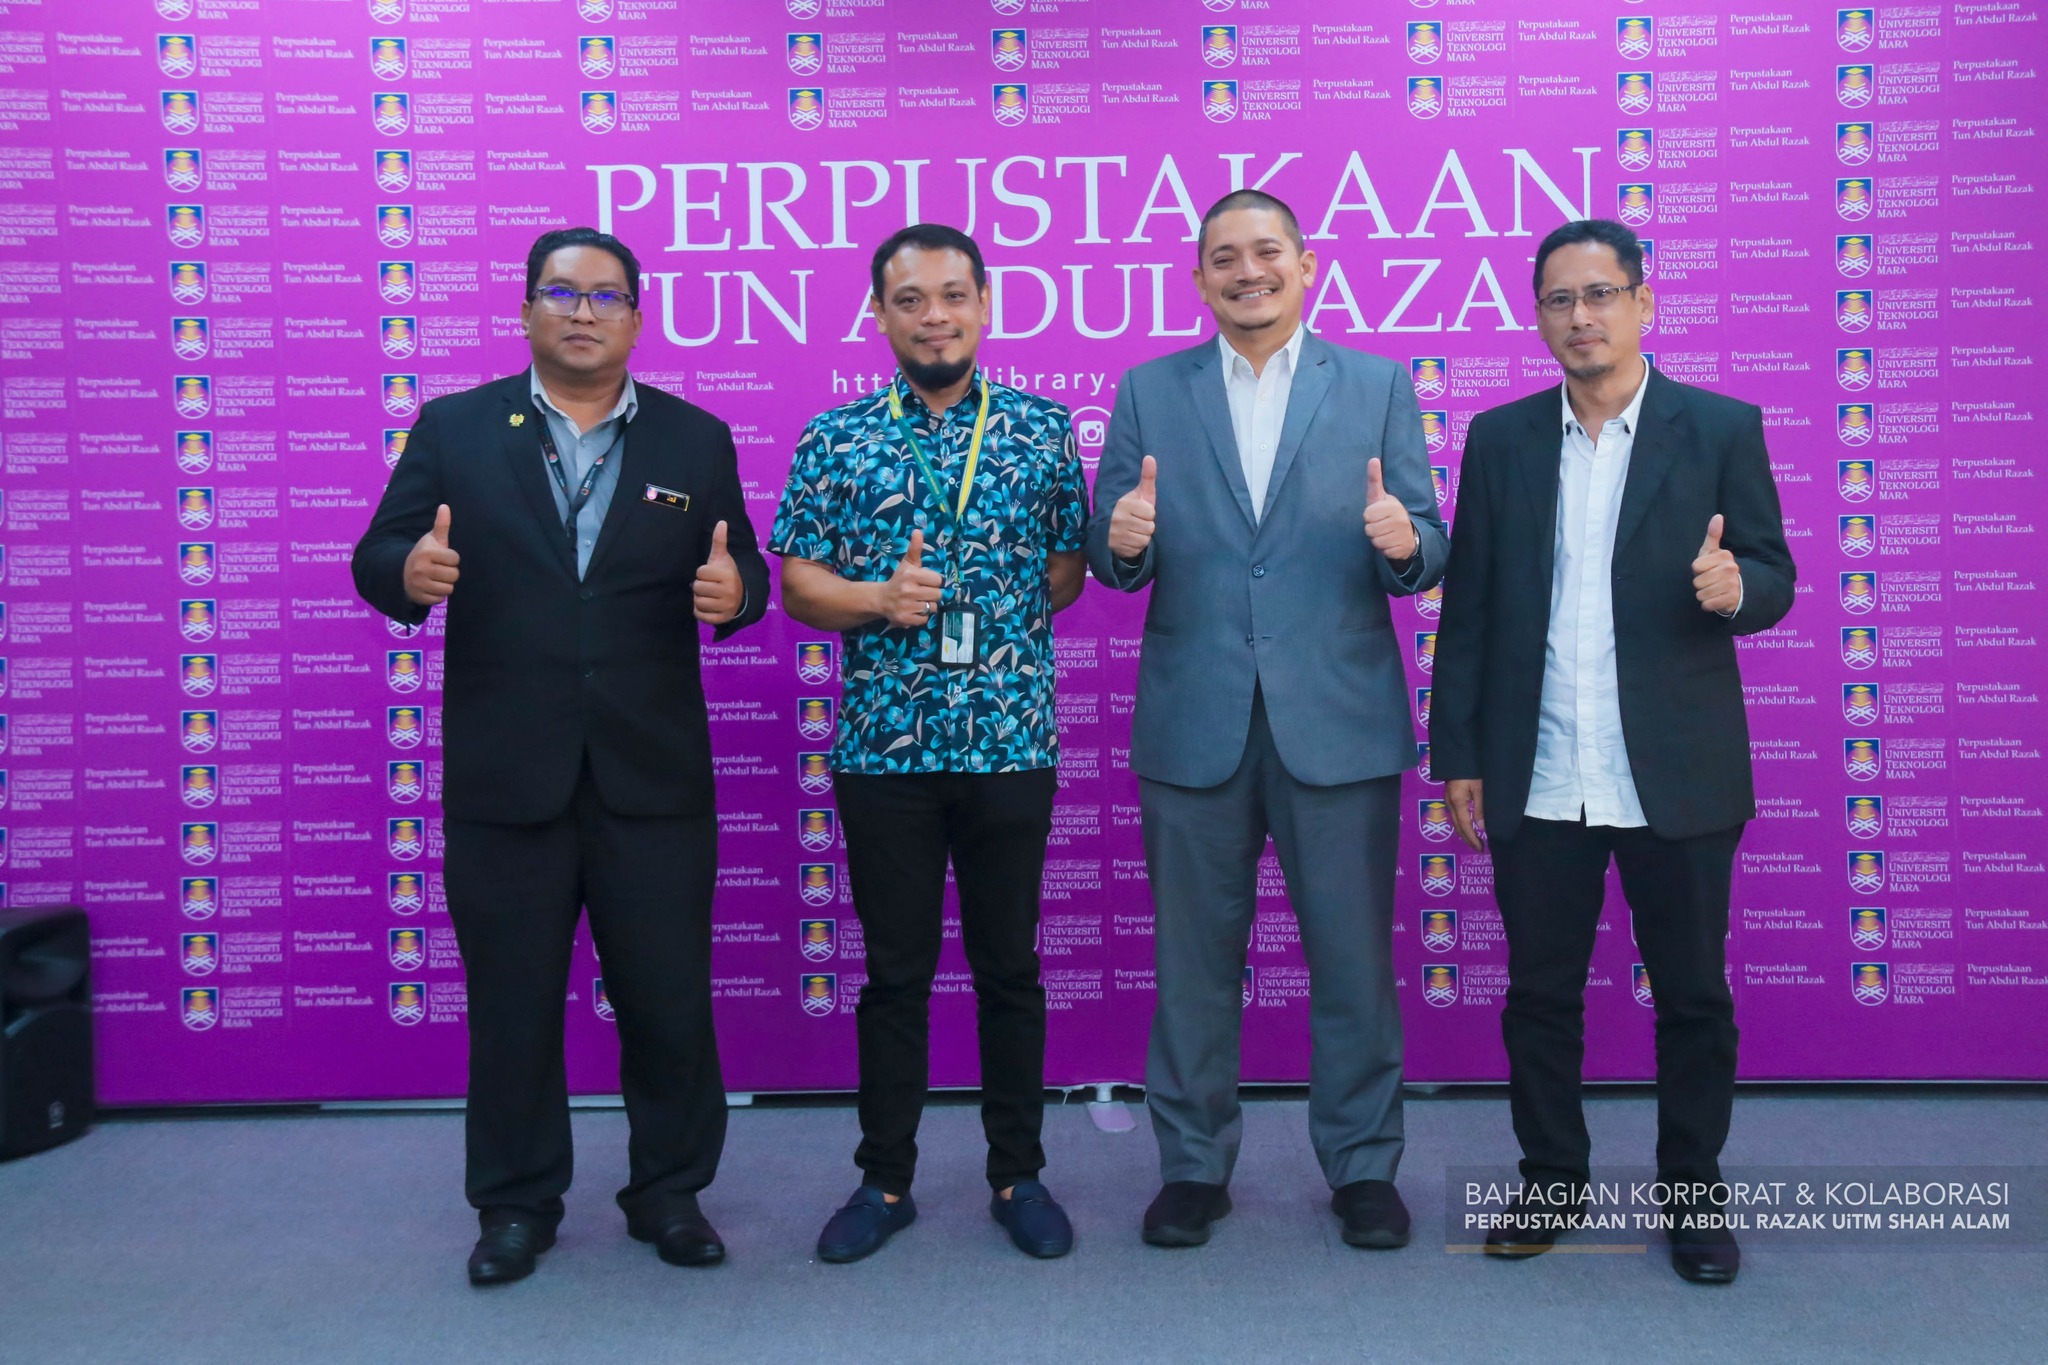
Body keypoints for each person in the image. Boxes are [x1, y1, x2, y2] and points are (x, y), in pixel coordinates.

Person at [351, 227, 769, 1285]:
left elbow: (745, 570)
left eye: (606, 295)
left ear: (637, 318)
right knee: (513, 1005)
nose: (583, 311)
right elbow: (378, 551)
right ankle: (514, 1206)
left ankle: (669, 1194)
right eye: (562, 292)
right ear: (527, 310)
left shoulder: (694, 438)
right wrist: (409, 571)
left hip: (651, 776)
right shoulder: (455, 427)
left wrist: (737, 598)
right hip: (507, 774)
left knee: (668, 1003)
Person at [1430, 218, 1795, 1284]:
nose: (1580, 316)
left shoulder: (1719, 427)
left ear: (1642, 303)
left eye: (1599, 294)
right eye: (1559, 299)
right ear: (1538, 317)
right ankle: (1550, 1179)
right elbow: (1470, 608)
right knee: (1538, 997)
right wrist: (1458, 751)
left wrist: (1739, 589)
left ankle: (1692, 1196)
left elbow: (1773, 571)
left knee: (1692, 997)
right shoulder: (1500, 439)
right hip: (1538, 766)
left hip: (1674, 769)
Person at [1084, 190, 1447, 1250]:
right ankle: (1192, 1167)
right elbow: (1112, 553)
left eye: (1267, 251)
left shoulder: (1376, 384)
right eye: (1224, 257)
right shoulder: (1149, 391)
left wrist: (1405, 545)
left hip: (1337, 720)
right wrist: (1122, 539)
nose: (1248, 271)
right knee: (1193, 965)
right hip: (1194, 719)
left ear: (1306, 262)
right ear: (1197, 277)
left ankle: (1363, 1168)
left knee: (1352, 964)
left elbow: (1426, 542)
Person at [769, 224, 1089, 1263]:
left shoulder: (1041, 430)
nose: (934, 315)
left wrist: (994, 625)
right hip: (883, 754)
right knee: (894, 977)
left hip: (1009, 742)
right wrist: (879, 600)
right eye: (909, 299)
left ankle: (1018, 1173)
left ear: (985, 304)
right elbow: (798, 584)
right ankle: (885, 1181)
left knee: (1010, 970)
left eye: (953, 294)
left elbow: (1065, 570)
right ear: (879, 315)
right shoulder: (835, 436)